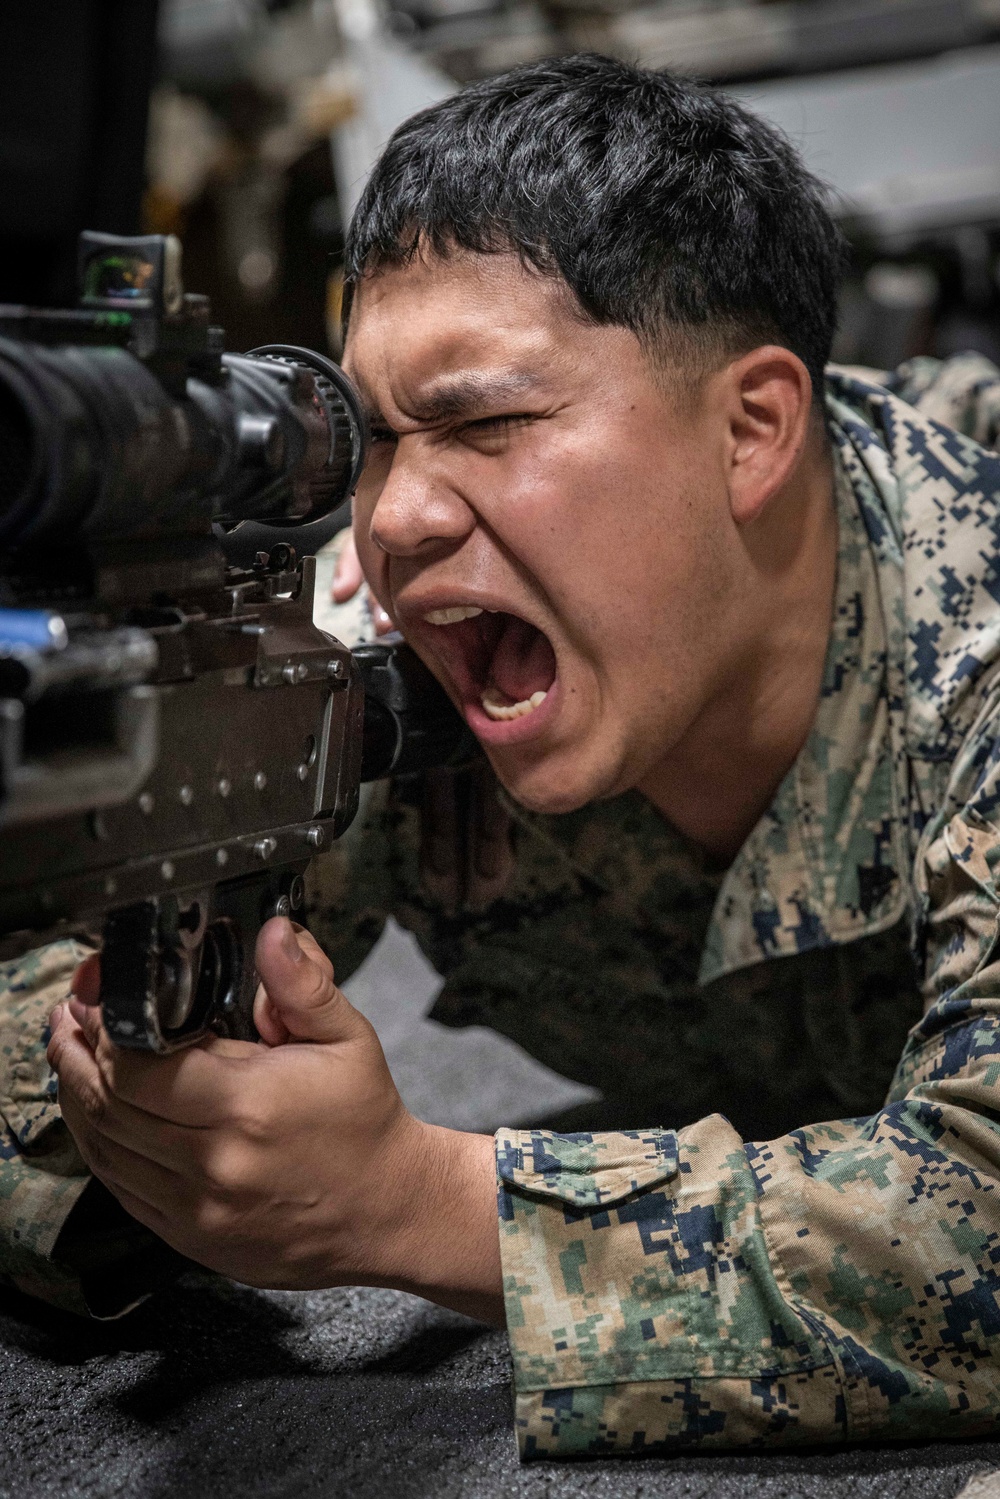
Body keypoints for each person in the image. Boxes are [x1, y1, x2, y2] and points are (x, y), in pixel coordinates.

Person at [5, 53, 1000, 1459]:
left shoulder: (981, 636)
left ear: (752, 428)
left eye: (488, 423)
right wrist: (151, 1134)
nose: (400, 519)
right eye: (375, 439)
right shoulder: (375, 646)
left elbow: (981, 1219)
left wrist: (415, 1204)